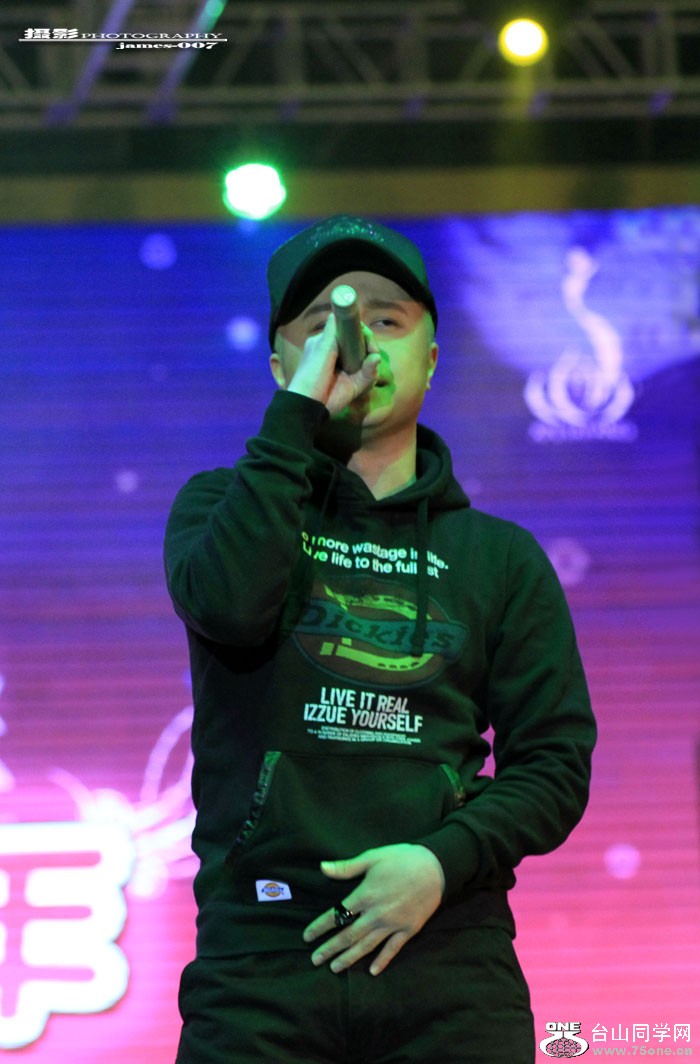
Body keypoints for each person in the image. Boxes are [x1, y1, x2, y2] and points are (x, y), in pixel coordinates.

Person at [164, 215, 596, 1063]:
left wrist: (441, 862)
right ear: (279, 366)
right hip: (261, 963)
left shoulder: (500, 557)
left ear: (432, 357)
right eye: (322, 325)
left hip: (448, 958)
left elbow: (554, 763)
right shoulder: (220, 506)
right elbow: (229, 608)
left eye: (386, 320)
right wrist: (296, 423)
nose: (356, 341)